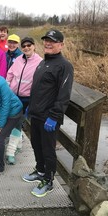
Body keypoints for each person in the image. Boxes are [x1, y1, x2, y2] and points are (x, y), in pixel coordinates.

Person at [22, 29, 74, 197]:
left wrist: (54, 116)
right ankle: (40, 171)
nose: (48, 43)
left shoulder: (64, 66)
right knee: (36, 145)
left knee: (48, 150)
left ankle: (49, 180)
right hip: (36, 114)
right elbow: (37, 88)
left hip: (49, 118)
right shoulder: (43, 63)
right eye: (46, 40)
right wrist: (30, 105)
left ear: (61, 44)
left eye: (52, 41)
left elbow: (64, 94)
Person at [5, 37, 43, 165]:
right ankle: (19, 144)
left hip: (28, 98)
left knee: (17, 121)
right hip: (14, 96)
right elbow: (10, 74)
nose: (26, 48)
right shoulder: (18, 60)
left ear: (34, 46)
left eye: (29, 45)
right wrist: (7, 88)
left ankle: (10, 151)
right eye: (24, 46)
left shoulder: (40, 62)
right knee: (16, 121)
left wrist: (35, 100)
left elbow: (41, 83)